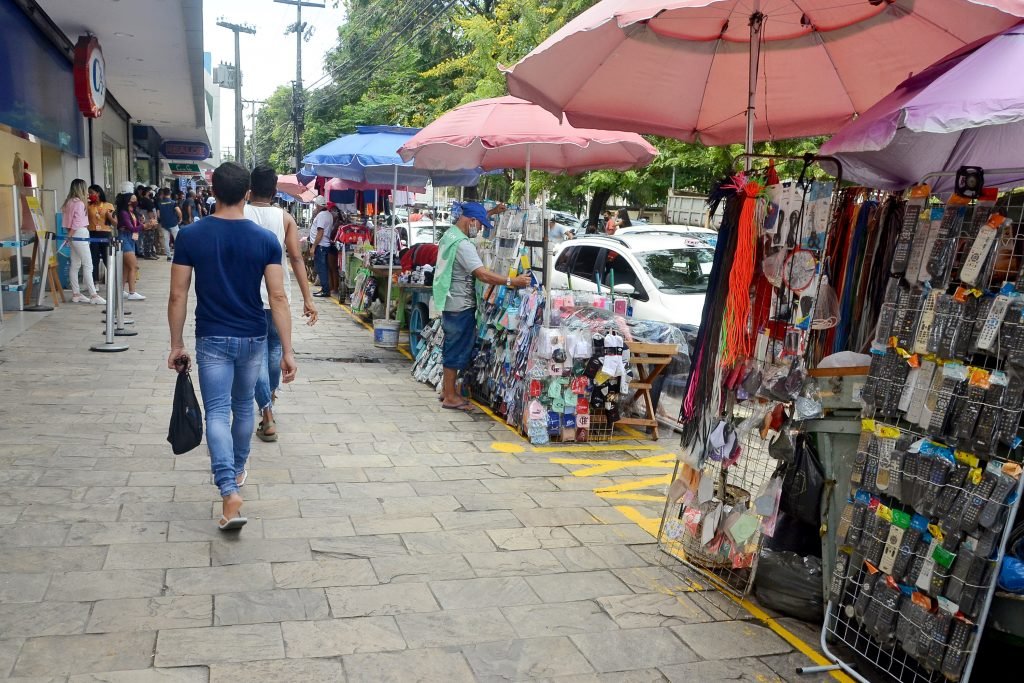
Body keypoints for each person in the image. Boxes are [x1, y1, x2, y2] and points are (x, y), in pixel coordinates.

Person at [168, 161, 297, 532]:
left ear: (213, 191)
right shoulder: (264, 241)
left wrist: (176, 344)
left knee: (218, 412)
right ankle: (238, 471)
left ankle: (228, 490)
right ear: (245, 194)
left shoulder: (192, 236)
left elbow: (178, 295)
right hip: (254, 336)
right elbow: (277, 297)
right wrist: (287, 350)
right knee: (243, 408)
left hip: (211, 338)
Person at [433, 202, 531, 411]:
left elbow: (473, 216)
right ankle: (450, 396)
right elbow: (482, 274)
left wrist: (493, 212)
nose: (479, 230)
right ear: (471, 221)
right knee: (456, 349)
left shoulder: (450, 234)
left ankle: (447, 391)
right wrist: (512, 282)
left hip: (450, 301)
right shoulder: (463, 245)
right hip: (460, 305)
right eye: (479, 225)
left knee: (452, 346)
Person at [245, 165, 319, 442]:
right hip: (279, 298)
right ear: (275, 191)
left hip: (248, 298)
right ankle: (269, 403)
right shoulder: (284, 217)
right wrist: (307, 298)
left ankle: (266, 413)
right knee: (275, 351)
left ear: (249, 189)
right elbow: (297, 259)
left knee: (256, 358)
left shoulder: (239, 214)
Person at [62, 179, 105, 305]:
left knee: (75, 264)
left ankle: (76, 294)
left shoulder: (68, 202)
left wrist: (69, 236)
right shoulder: (80, 203)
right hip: (80, 233)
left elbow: (67, 221)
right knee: (88, 264)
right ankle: (93, 294)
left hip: (72, 233)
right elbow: (76, 222)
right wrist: (70, 236)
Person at [116, 191, 145, 300]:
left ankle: (121, 290)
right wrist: (144, 226)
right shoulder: (123, 213)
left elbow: (135, 227)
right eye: (133, 199)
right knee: (133, 266)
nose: (135, 201)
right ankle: (132, 292)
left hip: (131, 239)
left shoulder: (132, 212)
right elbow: (132, 228)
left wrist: (142, 223)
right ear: (128, 201)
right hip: (124, 238)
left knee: (127, 267)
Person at [86, 184, 115, 283]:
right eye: (89, 193)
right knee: (94, 259)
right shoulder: (88, 206)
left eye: (91, 193)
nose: (89, 195)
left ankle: (113, 280)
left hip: (105, 234)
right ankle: (95, 281)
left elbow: (114, 221)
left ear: (98, 193)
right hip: (93, 233)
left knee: (108, 258)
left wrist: (110, 216)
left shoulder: (108, 205)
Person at [310, 197, 334, 298]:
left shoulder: (321, 215)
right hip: (324, 245)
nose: (315, 207)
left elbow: (320, 232)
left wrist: (313, 247)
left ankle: (325, 290)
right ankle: (324, 289)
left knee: (322, 268)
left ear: (319, 205)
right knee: (323, 268)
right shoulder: (328, 214)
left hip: (320, 246)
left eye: (316, 205)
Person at [157, 188, 182, 261]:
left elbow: (158, 215)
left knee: (166, 240)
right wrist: (180, 219)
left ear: (163, 194)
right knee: (177, 239)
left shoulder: (159, 203)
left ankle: (168, 256)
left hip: (164, 224)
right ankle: (178, 254)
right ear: (170, 193)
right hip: (173, 223)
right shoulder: (173, 202)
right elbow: (179, 211)